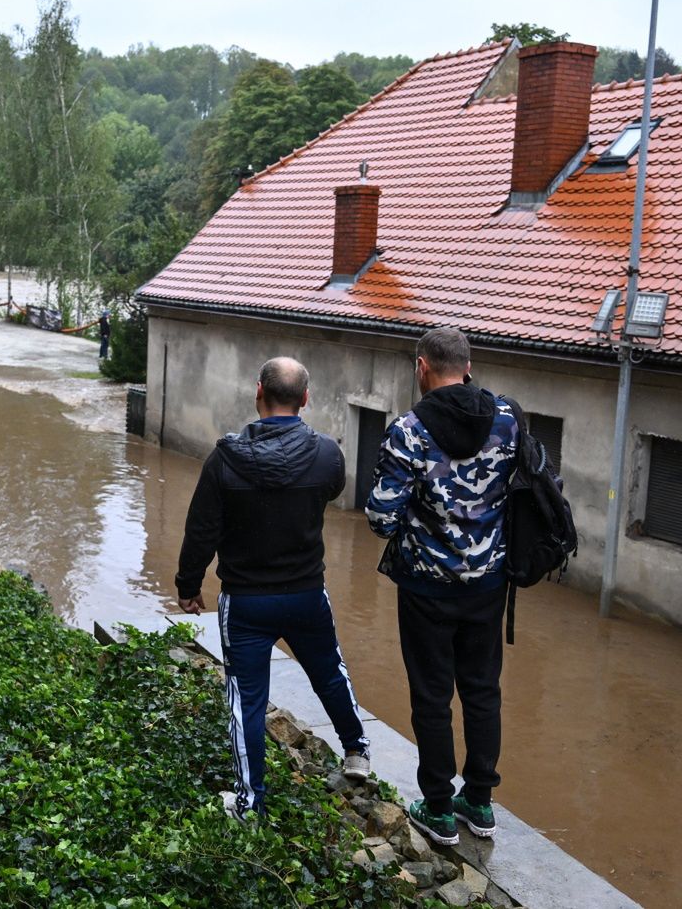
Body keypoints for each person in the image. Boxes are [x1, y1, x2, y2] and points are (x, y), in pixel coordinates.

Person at [176, 357, 370, 819]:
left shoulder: (225, 458)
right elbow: (329, 493)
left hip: (245, 601)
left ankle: (250, 806)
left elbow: (202, 529)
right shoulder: (328, 454)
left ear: (257, 391)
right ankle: (357, 750)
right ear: (305, 399)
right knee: (329, 670)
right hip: (306, 593)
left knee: (246, 701)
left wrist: (188, 584)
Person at [365, 326, 519, 846]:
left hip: (427, 586)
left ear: (422, 368)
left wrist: (420, 524)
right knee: (482, 690)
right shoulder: (507, 419)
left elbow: (381, 518)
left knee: (431, 694)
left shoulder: (408, 430)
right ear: (468, 367)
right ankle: (479, 802)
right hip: (488, 583)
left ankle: (436, 807)